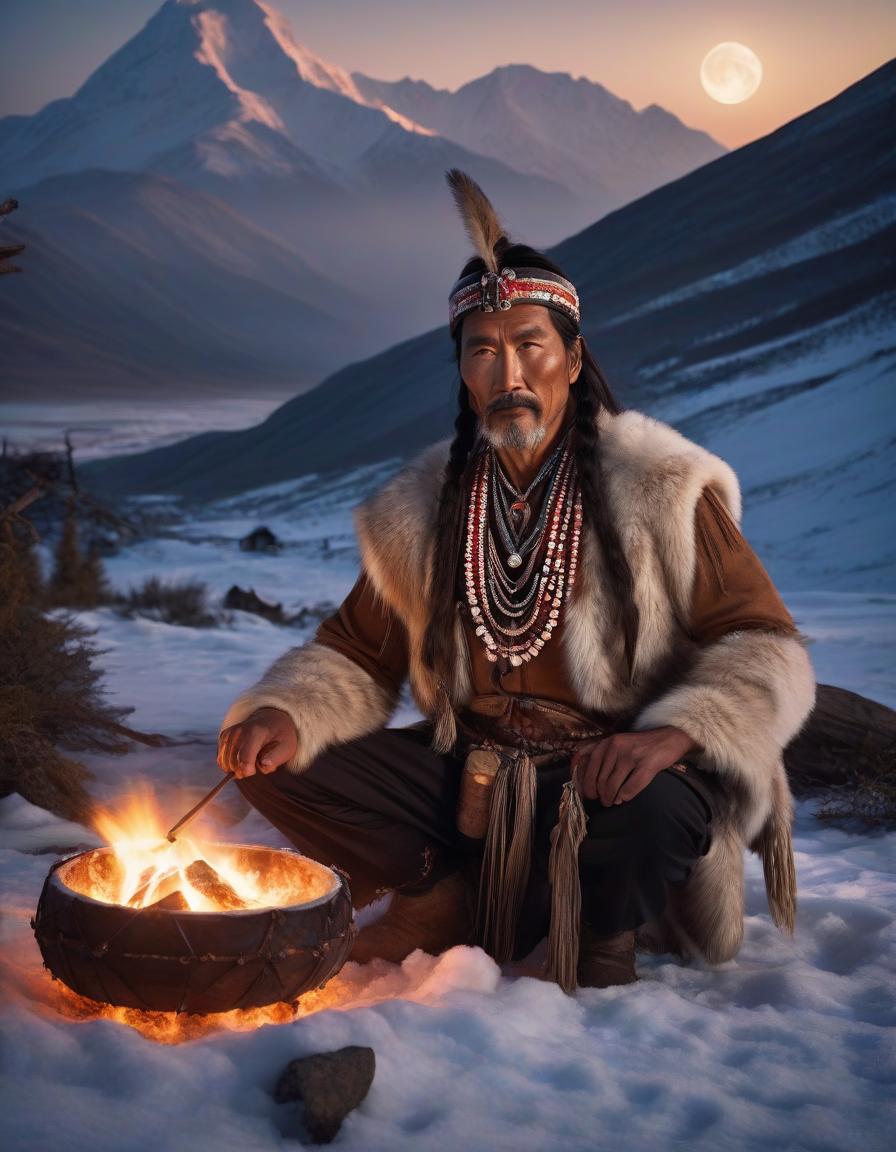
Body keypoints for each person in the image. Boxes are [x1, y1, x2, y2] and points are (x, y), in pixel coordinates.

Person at [217, 170, 817, 991]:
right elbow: (357, 655)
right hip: (471, 770)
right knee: (277, 762)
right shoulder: (423, 507)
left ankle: (603, 929)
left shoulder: (661, 489)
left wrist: (679, 733)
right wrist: (287, 711)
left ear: (571, 359)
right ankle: (442, 893)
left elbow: (764, 646)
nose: (509, 373)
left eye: (530, 345)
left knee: (654, 807)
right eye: (484, 350)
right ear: (463, 372)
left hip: (610, 776)